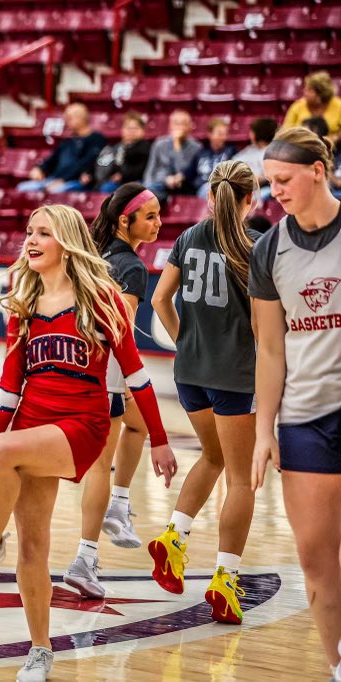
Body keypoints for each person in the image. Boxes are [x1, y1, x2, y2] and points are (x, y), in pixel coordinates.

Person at [0, 204, 176, 682]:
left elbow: (136, 375)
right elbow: (8, 387)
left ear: (66, 242)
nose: (31, 240)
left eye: (43, 233)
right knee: (32, 546)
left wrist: (159, 440)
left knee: (0, 452)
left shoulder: (102, 298)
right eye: (29, 231)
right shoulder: (23, 301)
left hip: (84, 423)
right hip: (32, 422)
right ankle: (40, 650)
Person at [149, 160, 259, 624]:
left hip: (190, 373)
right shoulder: (256, 247)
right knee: (241, 479)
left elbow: (159, 299)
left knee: (212, 458)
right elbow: (263, 323)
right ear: (251, 199)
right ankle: (225, 578)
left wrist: (185, 343)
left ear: (211, 197)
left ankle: (174, 536)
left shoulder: (189, 236)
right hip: (235, 377)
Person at [250, 128, 341, 679]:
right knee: (315, 558)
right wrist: (264, 430)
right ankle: (337, 664)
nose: (276, 191)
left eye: (284, 179)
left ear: (318, 170)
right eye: (270, 182)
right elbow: (269, 348)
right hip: (305, 419)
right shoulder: (269, 249)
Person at [63, 183, 162, 600]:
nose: (158, 223)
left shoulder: (90, 253)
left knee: (137, 427)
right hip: (104, 376)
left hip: (67, 364)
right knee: (100, 468)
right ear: (126, 220)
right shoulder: (132, 268)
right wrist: (128, 386)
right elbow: (119, 333)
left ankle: (120, 504)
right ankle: (84, 558)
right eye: (150, 216)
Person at [17, 103, 107, 194]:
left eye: (69, 118)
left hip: (76, 181)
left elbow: (85, 164)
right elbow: (52, 159)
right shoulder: (68, 141)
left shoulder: (97, 140)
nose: (66, 122)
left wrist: (63, 180)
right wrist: (40, 169)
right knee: (23, 187)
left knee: (55, 191)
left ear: (80, 118)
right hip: (54, 179)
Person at [143, 109, 203, 202]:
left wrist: (176, 144)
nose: (179, 127)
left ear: (189, 127)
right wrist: (148, 188)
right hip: (159, 185)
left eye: (183, 124)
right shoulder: (159, 144)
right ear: (170, 126)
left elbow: (181, 170)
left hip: (182, 187)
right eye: (176, 123)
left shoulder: (196, 147)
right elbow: (150, 171)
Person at [88, 111, 152, 193]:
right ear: (122, 130)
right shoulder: (116, 148)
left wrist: (122, 176)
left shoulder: (146, 147)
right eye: (128, 128)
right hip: (118, 182)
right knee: (105, 187)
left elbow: (142, 169)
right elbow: (107, 165)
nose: (131, 131)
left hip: (137, 181)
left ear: (143, 131)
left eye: (135, 128)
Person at [283, 71, 341, 137]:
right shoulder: (297, 106)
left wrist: (335, 138)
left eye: (309, 90)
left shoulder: (339, 105)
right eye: (305, 89)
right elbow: (285, 131)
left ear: (320, 94)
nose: (305, 92)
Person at [232, 117, 278, 201]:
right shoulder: (250, 149)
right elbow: (232, 163)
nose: (250, 134)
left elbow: (266, 178)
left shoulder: (271, 152)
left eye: (252, 132)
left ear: (259, 133)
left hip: (261, 190)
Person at [189, 118, 237, 197]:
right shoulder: (200, 153)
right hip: (202, 188)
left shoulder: (231, 151)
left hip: (223, 188)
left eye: (225, 134)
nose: (223, 138)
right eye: (220, 134)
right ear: (210, 134)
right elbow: (189, 173)